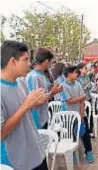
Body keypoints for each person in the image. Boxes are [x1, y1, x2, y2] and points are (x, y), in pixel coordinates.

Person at [1, 40, 49, 169]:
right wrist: (26, 106)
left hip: (36, 153)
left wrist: (34, 103)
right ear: (12, 61)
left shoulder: (21, 83)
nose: (29, 64)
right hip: (17, 161)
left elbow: (25, 110)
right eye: (26, 59)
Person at [60, 66, 95, 163]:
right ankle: (73, 153)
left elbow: (82, 100)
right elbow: (69, 101)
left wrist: (82, 113)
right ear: (69, 74)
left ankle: (89, 152)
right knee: (71, 135)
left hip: (80, 114)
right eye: (75, 72)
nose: (77, 74)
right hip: (68, 117)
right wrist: (81, 97)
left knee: (85, 134)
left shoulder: (77, 84)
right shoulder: (62, 86)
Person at [25, 48, 62, 129]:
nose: (51, 64)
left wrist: (53, 88)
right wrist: (52, 93)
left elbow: (45, 90)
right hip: (36, 121)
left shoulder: (41, 75)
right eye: (51, 62)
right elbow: (35, 101)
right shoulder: (34, 76)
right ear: (46, 61)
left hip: (43, 117)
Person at [77, 63, 94, 135]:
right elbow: (79, 90)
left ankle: (91, 130)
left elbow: (90, 86)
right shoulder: (77, 78)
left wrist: (89, 86)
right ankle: (84, 131)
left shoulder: (87, 76)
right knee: (83, 115)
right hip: (81, 100)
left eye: (87, 68)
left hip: (88, 97)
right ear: (80, 69)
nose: (87, 70)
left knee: (90, 114)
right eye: (85, 68)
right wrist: (85, 87)